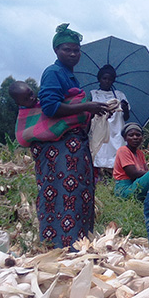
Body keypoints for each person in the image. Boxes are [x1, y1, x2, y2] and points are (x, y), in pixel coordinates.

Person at [34, 23, 108, 249]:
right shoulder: (53, 72)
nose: (74, 54)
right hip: (61, 150)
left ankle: (77, 242)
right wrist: (86, 107)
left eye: (77, 50)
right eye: (68, 49)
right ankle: (59, 245)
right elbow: (50, 107)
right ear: (57, 50)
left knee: (77, 195)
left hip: (75, 148)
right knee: (62, 194)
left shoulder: (70, 76)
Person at [90, 64, 131, 176]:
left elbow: (126, 117)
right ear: (99, 79)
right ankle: (100, 179)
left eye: (110, 79)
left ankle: (114, 177)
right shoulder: (93, 94)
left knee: (116, 155)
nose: (107, 81)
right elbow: (89, 114)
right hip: (100, 130)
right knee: (100, 153)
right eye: (104, 78)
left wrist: (125, 108)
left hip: (116, 131)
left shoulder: (119, 95)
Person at [113, 123, 149, 201]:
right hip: (124, 189)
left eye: (138, 135)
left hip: (136, 185)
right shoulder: (123, 150)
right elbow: (133, 174)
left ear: (142, 138)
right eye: (131, 135)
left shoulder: (140, 153)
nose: (135, 137)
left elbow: (146, 172)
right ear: (125, 138)